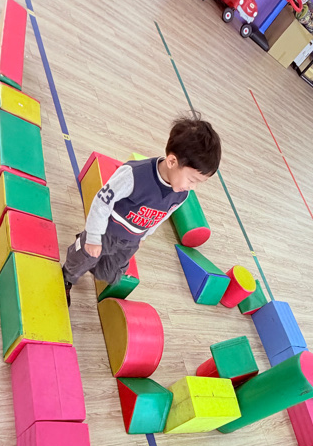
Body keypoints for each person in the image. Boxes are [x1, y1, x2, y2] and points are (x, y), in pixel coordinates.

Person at [62, 115, 221, 305]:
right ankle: (67, 275)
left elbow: (162, 216)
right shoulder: (134, 174)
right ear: (172, 161)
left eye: (198, 183)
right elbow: (101, 202)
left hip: (131, 241)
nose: (192, 187)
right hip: (107, 231)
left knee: (108, 273)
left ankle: (86, 247)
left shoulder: (181, 195)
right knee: (82, 259)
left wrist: (144, 236)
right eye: (192, 180)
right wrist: (94, 237)